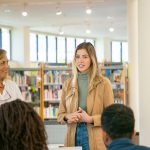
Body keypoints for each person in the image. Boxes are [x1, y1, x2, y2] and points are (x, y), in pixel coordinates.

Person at [57, 42, 114, 150]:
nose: (80, 61)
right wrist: (67, 117)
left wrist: (90, 119)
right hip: (72, 137)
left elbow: (111, 117)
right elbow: (60, 114)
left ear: (92, 59)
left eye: (85, 57)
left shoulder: (103, 83)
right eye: (77, 57)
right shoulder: (68, 84)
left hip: (94, 138)